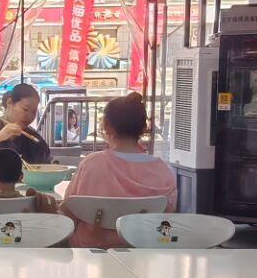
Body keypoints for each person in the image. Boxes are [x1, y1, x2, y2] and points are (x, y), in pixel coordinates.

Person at [60, 93, 177, 248]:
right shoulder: (162, 170)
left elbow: (69, 214)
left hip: (90, 252)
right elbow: (166, 217)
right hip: (144, 250)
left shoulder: (92, 164)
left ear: (107, 126)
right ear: (144, 128)